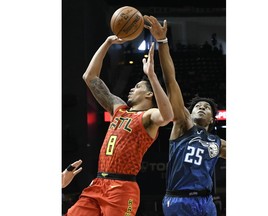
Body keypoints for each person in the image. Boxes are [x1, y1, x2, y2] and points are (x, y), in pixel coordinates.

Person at [65, 36, 174, 216]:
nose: (132, 88)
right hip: (98, 183)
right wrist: (107, 43)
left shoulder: (148, 116)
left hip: (123, 187)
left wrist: (152, 77)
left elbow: (167, 116)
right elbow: (89, 77)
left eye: (138, 86)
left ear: (149, 94)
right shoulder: (119, 108)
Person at [144, 15, 226, 216]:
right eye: (197, 105)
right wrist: (163, 42)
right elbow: (171, 80)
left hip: (206, 201)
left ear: (212, 119)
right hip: (179, 200)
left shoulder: (219, 143)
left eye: (206, 107)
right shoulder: (182, 124)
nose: (201, 108)